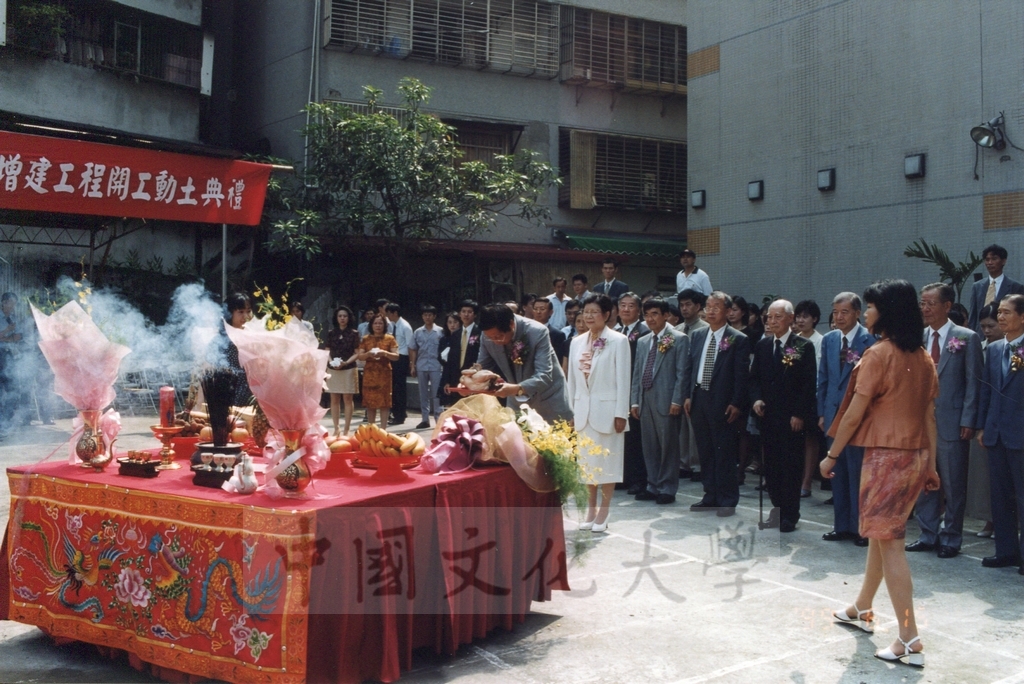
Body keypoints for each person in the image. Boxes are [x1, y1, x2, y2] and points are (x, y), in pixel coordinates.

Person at [822, 279, 939, 669]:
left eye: (870, 307)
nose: (867, 313)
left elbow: (854, 412)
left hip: (886, 459)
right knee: (881, 534)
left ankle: (909, 636)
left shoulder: (878, 354)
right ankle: (861, 606)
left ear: (884, 312)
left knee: (890, 545)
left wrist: (832, 455)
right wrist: (932, 465)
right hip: (915, 456)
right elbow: (928, 418)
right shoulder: (923, 357)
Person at [907, 283, 982, 559]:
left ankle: (951, 537)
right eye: (922, 303)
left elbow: (973, 382)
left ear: (947, 306)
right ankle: (928, 534)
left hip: (952, 422)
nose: (925, 308)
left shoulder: (966, 337)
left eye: (930, 303)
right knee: (925, 481)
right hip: (921, 423)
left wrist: (968, 419)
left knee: (953, 483)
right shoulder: (917, 338)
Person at [750, 300, 817, 532]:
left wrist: (799, 413)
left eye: (778, 317)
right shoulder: (763, 346)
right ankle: (776, 511)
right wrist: (756, 399)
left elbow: (808, 384)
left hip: (791, 419)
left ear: (790, 319)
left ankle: (790, 514)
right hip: (768, 417)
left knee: (790, 467)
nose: (772, 321)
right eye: (769, 317)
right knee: (772, 468)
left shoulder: (802, 346)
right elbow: (755, 378)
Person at [567, 294, 631, 532]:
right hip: (582, 412)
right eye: (586, 311)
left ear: (606, 315)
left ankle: (604, 510)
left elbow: (623, 379)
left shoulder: (618, 341)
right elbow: (572, 381)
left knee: (607, 462)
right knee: (586, 465)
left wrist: (620, 413)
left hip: (608, 412)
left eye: (595, 312)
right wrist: (571, 411)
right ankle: (590, 509)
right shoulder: (576, 342)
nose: (589, 316)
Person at [684, 292, 750, 516]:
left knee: (724, 451)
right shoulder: (698, 335)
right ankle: (710, 494)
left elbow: (741, 376)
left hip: (722, 400)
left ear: (728, 311)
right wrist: (687, 396)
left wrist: (736, 403)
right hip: (699, 397)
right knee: (705, 450)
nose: (710, 310)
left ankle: (727, 499)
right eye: (708, 306)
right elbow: (690, 368)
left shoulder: (737, 338)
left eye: (716, 307)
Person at [818, 292, 875, 546]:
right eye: (835, 312)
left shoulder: (870, 340)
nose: (839, 317)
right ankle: (841, 525)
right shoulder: (830, 340)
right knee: (836, 472)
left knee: (858, 473)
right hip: (832, 416)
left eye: (844, 312)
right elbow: (824, 379)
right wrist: (822, 412)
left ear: (856, 313)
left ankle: (861, 528)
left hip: (859, 417)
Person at [976, 293, 1024, 574]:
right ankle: (1006, 551)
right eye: (1000, 313)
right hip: (996, 433)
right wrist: (983, 426)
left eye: (1007, 312)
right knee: (1000, 495)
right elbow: (987, 391)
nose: (1001, 317)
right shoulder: (994, 349)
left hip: (1020, 434)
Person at [630, 297, 690, 505]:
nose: (650, 318)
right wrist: (635, 402)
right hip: (646, 398)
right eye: (647, 315)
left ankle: (667, 487)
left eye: (655, 314)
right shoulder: (643, 340)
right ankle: (652, 485)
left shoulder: (679, 338)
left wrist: (677, 400)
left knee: (668, 446)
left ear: (666, 315)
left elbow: (682, 372)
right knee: (650, 445)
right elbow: (637, 373)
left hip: (667, 398)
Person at [476, 303, 572, 423]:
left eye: (498, 336)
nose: (495, 341)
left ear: (511, 324)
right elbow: (482, 367)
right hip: (515, 402)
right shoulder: (488, 335)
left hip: (547, 401)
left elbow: (544, 375)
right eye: (491, 338)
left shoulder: (537, 331)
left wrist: (515, 389)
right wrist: (471, 380)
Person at [966, 303, 999, 538]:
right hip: (986, 419)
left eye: (992, 326)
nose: (987, 331)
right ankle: (990, 520)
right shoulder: (983, 348)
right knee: (986, 476)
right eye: (983, 326)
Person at [616, 292, 650, 494]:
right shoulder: (615, 330)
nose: (626, 309)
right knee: (623, 436)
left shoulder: (644, 331)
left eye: (631, 306)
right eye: (623, 306)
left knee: (637, 437)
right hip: (619, 388)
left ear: (639, 310)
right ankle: (624, 476)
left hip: (635, 388)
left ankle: (639, 480)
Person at [676, 289, 708, 480]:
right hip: (679, 382)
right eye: (682, 305)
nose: (685, 308)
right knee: (681, 427)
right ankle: (684, 463)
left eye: (689, 304)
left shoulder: (705, 329)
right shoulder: (676, 329)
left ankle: (697, 465)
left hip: (696, 383)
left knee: (695, 426)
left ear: (698, 307)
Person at [794, 299, 824, 498]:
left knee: (810, 440)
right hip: (793, 397)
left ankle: (806, 482)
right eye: (798, 316)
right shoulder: (793, 340)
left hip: (812, 395)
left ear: (814, 319)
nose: (801, 320)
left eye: (805, 316)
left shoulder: (820, 341)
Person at [967, 244, 1024, 331]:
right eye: (987, 259)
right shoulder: (977, 286)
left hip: (1004, 333)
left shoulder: (1015, 287)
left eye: (994, 259)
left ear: (1003, 261)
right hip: (981, 334)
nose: (990, 263)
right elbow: (973, 315)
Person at [323, 305, 360, 437]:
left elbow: (357, 353)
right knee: (334, 398)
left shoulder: (354, 333)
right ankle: (336, 428)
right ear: (336, 318)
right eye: (340, 316)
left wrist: (346, 362)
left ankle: (346, 429)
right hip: (333, 368)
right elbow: (327, 350)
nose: (342, 318)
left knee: (348, 398)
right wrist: (331, 361)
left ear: (349, 318)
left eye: (345, 316)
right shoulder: (331, 333)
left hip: (348, 368)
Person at [357, 314, 399, 430]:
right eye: (375, 323)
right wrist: (368, 354)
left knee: (384, 402)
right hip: (370, 373)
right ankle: (371, 429)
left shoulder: (390, 338)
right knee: (370, 402)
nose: (378, 326)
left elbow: (396, 356)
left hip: (384, 373)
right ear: (371, 325)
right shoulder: (366, 339)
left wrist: (385, 353)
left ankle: (383, 429)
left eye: (380, 323)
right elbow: (360, 356)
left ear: (384, 325)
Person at [410, 304, 445, 429]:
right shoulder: (418, 332)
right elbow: (413, 349)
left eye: (430, 315)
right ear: (422, 316)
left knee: (436, 393)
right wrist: (412, 365)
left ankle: (438, 418)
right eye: (425, 315)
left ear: (434, 316)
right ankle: (425, 419)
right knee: (423, 393)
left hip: (436, 366)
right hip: (421, 365)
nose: (427, 317)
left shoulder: (440, 331)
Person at [384, 303, 413, 425]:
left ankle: (400, 415)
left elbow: (410, 345)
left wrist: (411, 363)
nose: (387, 316)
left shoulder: (405, 326)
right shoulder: (391, 325)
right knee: (393, 387)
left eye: (389, 313)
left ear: (394, 313)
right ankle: (397, 412)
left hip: (402, 358)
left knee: (400, 388)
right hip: (393, 356)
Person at [224, 293, 254, 407]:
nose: (246, 316)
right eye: (241, 312)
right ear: (230, 313)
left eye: (248, 311)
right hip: (231, 392)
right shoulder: (223, 337)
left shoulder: (252, 333)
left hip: (250, 391)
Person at [532, 297, 566, 366]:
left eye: (542, 309)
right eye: (535, 309)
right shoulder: (526, 331)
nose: (538, 312)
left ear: (551, 312)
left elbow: (557, 360)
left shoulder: (558, 335)